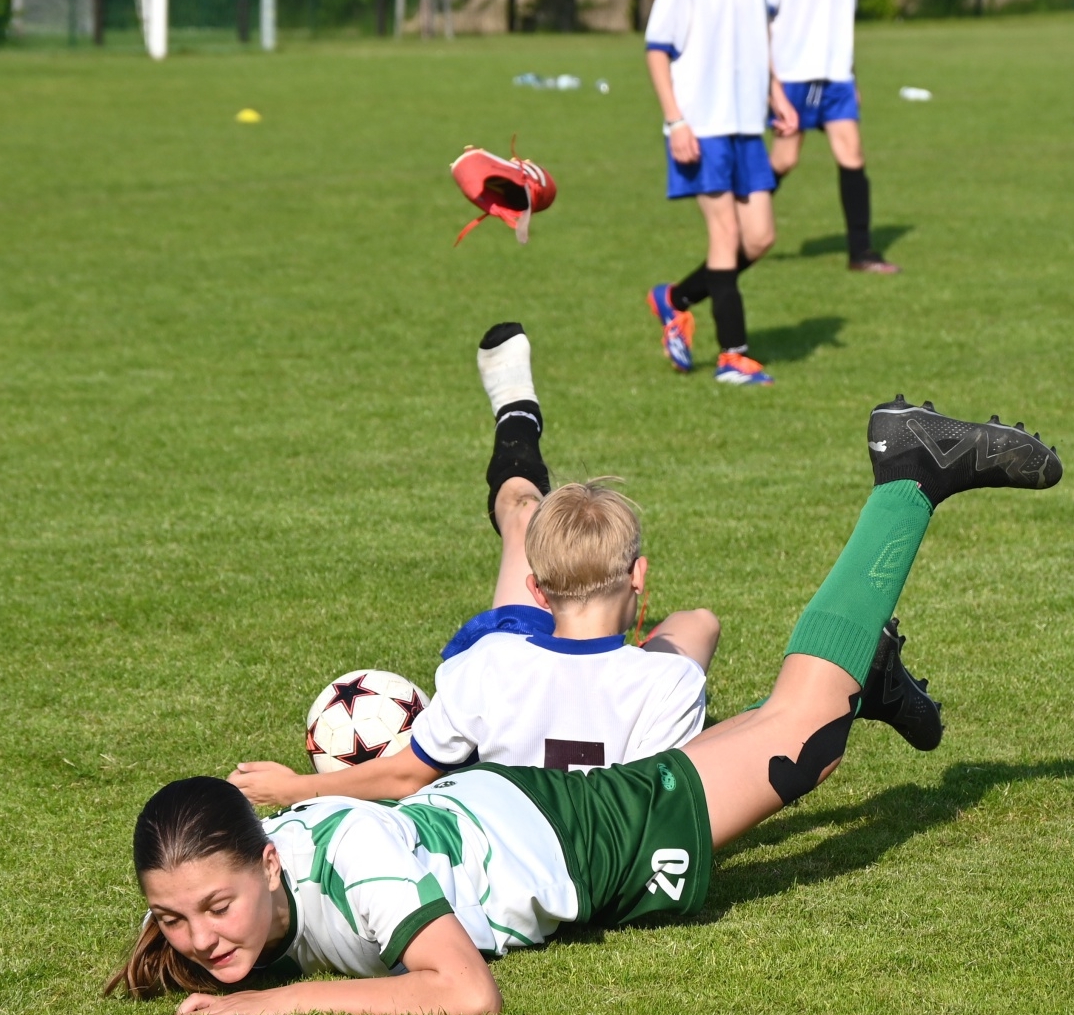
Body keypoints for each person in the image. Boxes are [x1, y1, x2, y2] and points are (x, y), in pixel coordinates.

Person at [106, 398, 1064, 1015]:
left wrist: (257, 1006)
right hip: (515, 808)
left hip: (572, 839)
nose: (200, 938)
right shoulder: (253, 868)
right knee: (787, 734)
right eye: (175, 919)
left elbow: (463, 992)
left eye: (215, 908)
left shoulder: (357, 867)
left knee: (802, 741)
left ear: (270, 861)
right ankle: (870, 672)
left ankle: (910, 477)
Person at [230, 322, 757, 808]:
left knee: (524, 512)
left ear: (536, 591)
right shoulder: (672, 682)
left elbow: (406, 775)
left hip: (520, 696)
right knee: (699, 621)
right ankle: (516, 411)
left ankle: (516, 414)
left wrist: (294, 788)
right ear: (639, 575)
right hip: (613, 767)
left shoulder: (488, 665)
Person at [643, 0, 800, 387]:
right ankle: (734, 356)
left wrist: (777, 95)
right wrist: (676, 122)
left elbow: (759, 42)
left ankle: (674, 298)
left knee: (760, 237)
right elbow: (657, 51)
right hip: (701, 129)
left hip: (746, 128)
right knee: (726, 233)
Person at [763, 0, 897, 275]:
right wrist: (772, 83)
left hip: (836, 79)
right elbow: (761, 19)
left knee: (852, 154)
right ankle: (737, 220)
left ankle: (861, 252)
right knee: (785, 159)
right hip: (793, 78)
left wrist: (851, 75)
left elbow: (842, 21)